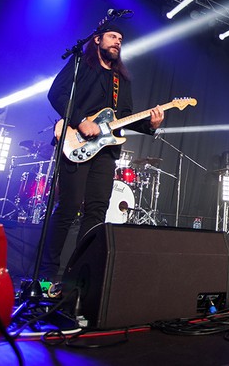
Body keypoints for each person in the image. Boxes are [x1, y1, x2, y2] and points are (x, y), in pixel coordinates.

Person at [40, 24, 164, 283]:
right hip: (77, 143)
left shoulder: (122, 80)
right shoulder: (81, 66)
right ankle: (46, 274)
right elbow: (56, 93)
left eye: (120, 38)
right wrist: (79, 120)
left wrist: (149, 125)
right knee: (68, 208)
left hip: (106, 152)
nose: (118, 41)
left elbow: (125, 118)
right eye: (112, 36)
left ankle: (77, 275)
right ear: (97, 39)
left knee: (97, 211)